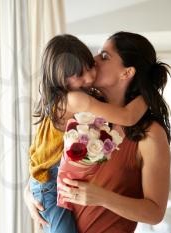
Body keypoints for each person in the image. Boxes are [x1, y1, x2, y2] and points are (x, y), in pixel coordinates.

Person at [24, 34, 148, 233]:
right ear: (60, 79)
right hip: (49, 184)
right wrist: (149, 95)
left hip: (49, 178)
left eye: (89, 66)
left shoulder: (73, 97)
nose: (90, 76)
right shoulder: (74, 99)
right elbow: (127, 117)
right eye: (79, 74)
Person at [56, 31, 171, 232]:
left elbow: (155, 213)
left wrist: (101, 197)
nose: (93, 60)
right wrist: (31, 190)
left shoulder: (151, 134)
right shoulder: (80, 111)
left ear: (126, 73)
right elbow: (47, 160)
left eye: (104, 56)